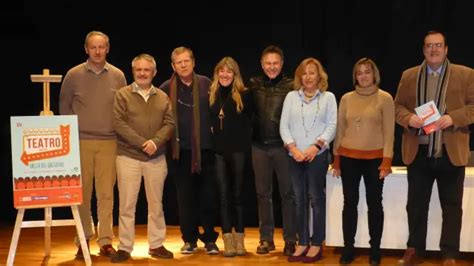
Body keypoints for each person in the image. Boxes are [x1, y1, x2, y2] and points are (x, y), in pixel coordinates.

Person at [394, 30, 474, 266]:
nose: (434, 49)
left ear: (446, 49)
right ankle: (414, 249)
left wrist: (453, 118)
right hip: (418, 152)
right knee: (416, 205)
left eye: (438, 45)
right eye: (429, 45)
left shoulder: (466, 74)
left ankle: (449, 254)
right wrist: (409, 118)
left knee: (452, 207)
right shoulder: (409, 76)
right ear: (423, 49)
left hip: (451, 152)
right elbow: (397, 106)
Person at [59, 30, 127, 259]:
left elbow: (123, 110)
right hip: (81, 142)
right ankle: (83, 239)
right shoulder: (73, 75)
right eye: (93, 47)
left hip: (110, 142)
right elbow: (64, 108)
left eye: (102, 47)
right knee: (82, 194)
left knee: (106, 194)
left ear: (108, 49)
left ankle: (106, 241)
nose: (97, 51)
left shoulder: (118, 75)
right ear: (86, 49)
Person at [110, 54, 175, 263]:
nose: (142, 73)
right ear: (133, 72)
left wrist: (155, 142)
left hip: (156, 158)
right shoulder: (123, 94)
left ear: (154, 72)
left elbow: (169, 123)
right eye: (138, 69)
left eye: (147, 70)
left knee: (156, 205)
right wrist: (142, 143)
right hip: (128, 157)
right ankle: (125, 247)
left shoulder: (163, 97)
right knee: (127, 205)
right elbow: (119, 123)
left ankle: (156, 244)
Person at [332, 58, 395, 265]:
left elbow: (389, 133)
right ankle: (348, 248)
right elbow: (340, 130)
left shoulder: (385, 98)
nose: (363, 76)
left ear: (374, 74)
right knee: (349, 204)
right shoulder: (346, 99)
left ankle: (375, 250)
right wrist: (337, 159)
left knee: (375, 204)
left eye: (367, 72)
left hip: (375, 159)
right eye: (359, 72)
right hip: (348, 158)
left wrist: (387, 161)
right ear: (355, 76)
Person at [159, 46, 220, 255]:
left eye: (186, 61)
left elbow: (217, 113)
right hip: (179, 152)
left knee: (208, 197)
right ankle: (190, 239)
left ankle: (210, 239)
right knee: (185, 199)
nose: (183, 65)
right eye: (179, 62)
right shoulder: (166, 88)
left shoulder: (207, 84)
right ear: (173, 66)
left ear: (193, 62)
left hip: (205, 151)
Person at [280, 57, 337, 263]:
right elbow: (283, 126)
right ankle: (302, 241)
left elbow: (332, 125)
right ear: (299, 77)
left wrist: (316, 147)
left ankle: (316, 243)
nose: (308, 77)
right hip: (294, 156)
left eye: (312, 72)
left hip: (318, 156)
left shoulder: (328, 97)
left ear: (319, 75)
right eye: (304, 73)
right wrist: (293, 148)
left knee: (316, 199)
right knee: (299, 200)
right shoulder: (291, 97)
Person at [248, 45, 297, 256]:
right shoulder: (253, 84)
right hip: (259, 147)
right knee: (263, 194)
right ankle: (266, 239)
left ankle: (290, 240)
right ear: (261, 64)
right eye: (268, 63)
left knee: (288, 194)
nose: (271, 67)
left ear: (282, 63)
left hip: (284, 147)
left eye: (275, 63)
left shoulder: (292, 86)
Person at [209, 57, 253, 257]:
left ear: (235, 75)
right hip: (218, 153)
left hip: (239, 152)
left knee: (238, 196)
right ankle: (227, 238)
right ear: (217, 73)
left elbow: (252, 123)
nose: (225, 75)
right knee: (224, 196)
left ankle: (240, 239)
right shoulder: (211, 94)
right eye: (221, 71)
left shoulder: (245, 94)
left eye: (229, 71)